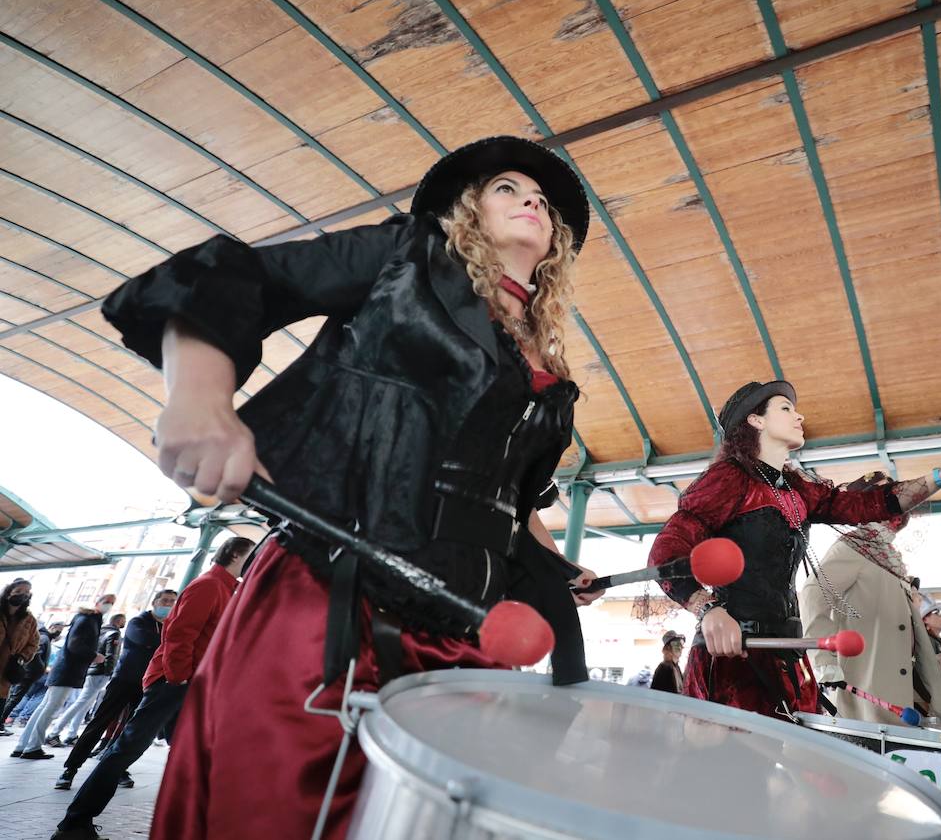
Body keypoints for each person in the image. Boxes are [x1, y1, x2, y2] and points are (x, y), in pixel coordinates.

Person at [91, 136, 602, 840]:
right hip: (334, 604)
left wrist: (555, 564)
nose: (533, 202)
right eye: (508, 188)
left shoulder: (545, 358)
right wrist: (200, 397)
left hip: (467, 636)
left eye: (542, 200)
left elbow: (515, 501)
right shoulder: (407, 256)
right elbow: (232, 278)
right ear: (466, 210)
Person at [647, 380, 941, 719]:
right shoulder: (729, 479)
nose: (799, 415)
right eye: (786, 408)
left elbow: (868, 505)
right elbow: (666, 551)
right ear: (756, 420)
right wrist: (708, 610)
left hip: (787, 655)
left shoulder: (797, 490)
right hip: (734, 660)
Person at [52, 540, 252, 840]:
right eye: (252, 555)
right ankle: (73, 824)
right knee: (126, 750)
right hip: (174, 684)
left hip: (188, 686)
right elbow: (179, 635)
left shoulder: (227, 589)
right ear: (235, 554)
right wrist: (179, 677)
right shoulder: (210, 585)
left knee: (193, 753)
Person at [800, 474, 941, 724]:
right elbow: (812, 592)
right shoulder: (854, 546)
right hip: (871, 697)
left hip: (902, 698)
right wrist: (823, 659)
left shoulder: (885, 555)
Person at [56, 590, 178, 790]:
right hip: (124, 681)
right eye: (165, 601)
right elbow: (149, 641)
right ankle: (70, 769)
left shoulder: (169, 625)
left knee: (132, 730)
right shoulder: (139, 622)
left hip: (147, 685)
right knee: (99, 723)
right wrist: (173, 641)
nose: (168, 605)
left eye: (172, 602)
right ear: (155, 602)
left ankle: (118, 769)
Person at [13, 593, 114, 759]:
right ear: (97, 602)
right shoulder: (87, 620)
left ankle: (23, 745)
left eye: (111, 603)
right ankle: (32, 747)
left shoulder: (88, 619)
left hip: (66, 670)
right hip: (68, 670)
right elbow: (75, 645)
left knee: (45, 707)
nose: (108, 605)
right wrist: (94, 656)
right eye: (106, 601)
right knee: (50, 709)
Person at [47, 613, 125, 747]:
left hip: (91, 670)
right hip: (101, 672)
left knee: (85, 704)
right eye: (124, 620)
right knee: (82, 702)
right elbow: (111, 655)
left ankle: (71, 734)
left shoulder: (101, 632)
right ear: (119, 621)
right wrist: (110, 673)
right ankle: (55, 732)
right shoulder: (114, 634)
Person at [4, 620, 62, 730]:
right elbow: (35, 656)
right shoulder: (44, 638)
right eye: (59, 629)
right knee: (15, 697)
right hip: (29, 674)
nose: (59, 632)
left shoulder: (44, 638)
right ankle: (3, 720)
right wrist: (42, 668)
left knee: (17, 697)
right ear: (52, 626)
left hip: (30, 673)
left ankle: (5, 720)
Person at [1, 578, 40, 734]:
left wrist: (21, 657)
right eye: (18, 591)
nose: (22, 595)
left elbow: (34, 643)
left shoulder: (29, 619)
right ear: (9, 592)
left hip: (5, 673)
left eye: (26, 593)